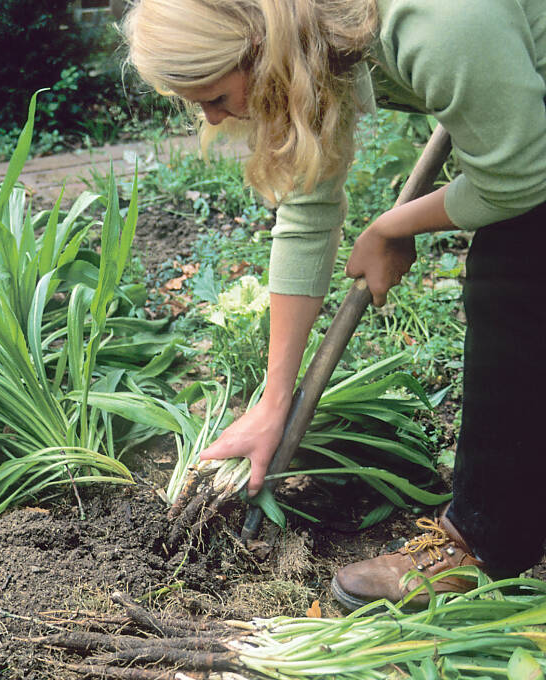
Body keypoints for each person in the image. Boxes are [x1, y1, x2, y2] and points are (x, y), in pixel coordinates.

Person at [123, 0, 546, 610]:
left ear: (256, 50)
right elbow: (306, 210)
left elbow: (519, 178)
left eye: (215, 96)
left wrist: (393, 226)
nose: (214, 117)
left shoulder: (437, 21)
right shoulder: (312, 34)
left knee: (515, 273)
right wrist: (273, 401)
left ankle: (481, 542)